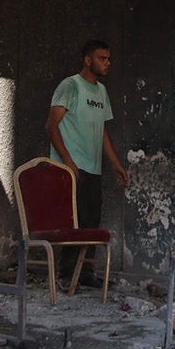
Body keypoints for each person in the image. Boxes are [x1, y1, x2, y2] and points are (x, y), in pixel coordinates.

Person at [47, 40, 121, 230]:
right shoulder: (70, 85)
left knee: (91, 228)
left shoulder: (102, 91)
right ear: (88, 60)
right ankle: (66, 262)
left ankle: (86, 262)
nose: (107, 63)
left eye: (109, 59)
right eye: (102, 58)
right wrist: (68, 162)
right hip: (71, 169)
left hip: (93, 170)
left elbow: (102, 130)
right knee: (71, 228)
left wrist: (116, 164)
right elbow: (51, 126)